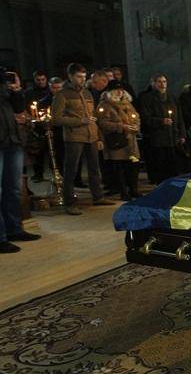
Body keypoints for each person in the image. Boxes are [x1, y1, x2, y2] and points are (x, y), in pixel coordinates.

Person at [52, 63, 115, 215]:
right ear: (70, 76)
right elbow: (56, 119)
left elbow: (93, 117)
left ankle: (98, 196)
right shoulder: (62, 95)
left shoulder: (87, 93)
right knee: (71, 170)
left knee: (94, 168)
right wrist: (80, 121)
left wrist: (98, 137)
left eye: (84, 77)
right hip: (74, 137)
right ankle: (69, 202)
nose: (82, 80)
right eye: (79, 77)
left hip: (91, 136)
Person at [0, 69, 40, 253]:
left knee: (13, 189)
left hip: (12, 141)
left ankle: (14, 229)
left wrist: (16, 90)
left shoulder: (6, 89)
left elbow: (18, 108)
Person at [138, 73, 186, 182]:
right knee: (160, 165)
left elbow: (180, 117)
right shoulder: (147, 99)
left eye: (164, 82)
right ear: (153, 84)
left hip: (172, 137)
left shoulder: (172, 98)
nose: (162, 84)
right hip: (157, 138)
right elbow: (146, 118)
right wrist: (161, 121)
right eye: (159, 82)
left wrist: (182, 134)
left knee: (173, 165)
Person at [96, 81, 141, 200]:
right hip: (116, 140)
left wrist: (136, 126)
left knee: (133, 166)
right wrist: (120, 126)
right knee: (119, 167)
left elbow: (136, 117)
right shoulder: (105, 105)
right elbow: (102, 123)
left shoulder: (128, 104)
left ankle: (133, 189)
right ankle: (123, 192)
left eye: (121, 90)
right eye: (116, 90)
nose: (120, 92)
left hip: (130, 140)